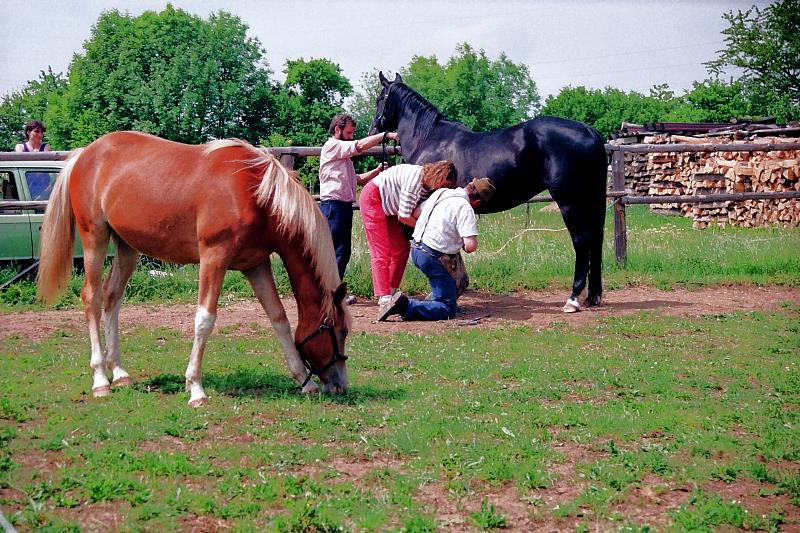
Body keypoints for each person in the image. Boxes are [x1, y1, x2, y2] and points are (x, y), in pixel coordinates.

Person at [379, 177, 496, 322]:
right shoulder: (464, 207)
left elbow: (416, 213)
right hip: (432, 257)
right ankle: (405, 306)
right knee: (447, 309)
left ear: (469, 185)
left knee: (461, 280)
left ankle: (434, 300)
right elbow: (470, 246)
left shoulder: (442, 193)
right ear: (477, 202)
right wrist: (463, 242)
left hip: (417, 249)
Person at [360, 160, 457, 321]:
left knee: (402, 248)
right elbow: (404, 216)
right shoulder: (415, 182)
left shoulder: (427, 188)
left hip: (391, 206)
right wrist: (425, 226)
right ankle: (384, 296)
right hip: (374, 198)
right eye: (444, 184)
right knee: (381, 251)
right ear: (438, 176)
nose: (444, 188)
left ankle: (391, 290)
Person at [319, 113, 398, 303]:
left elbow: (357, 180)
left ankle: (332, 293)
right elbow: (360, 146)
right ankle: (330, 295)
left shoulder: (341, 156)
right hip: (334, 206)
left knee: (342, 251)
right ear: (337, 130)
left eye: (353, 133)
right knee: (337, 251)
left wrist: (376, 172)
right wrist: (385, 136)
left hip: (340, 206)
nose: (351, 136)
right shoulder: (332, 146)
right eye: (348, 132)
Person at [15, 120, 52, 200]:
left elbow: (45, 164)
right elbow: (22, 164)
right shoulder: (20, 147)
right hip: (26, 184)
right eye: (37, 132)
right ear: (28, 132)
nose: (40, 135)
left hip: (44, 186)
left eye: (42, 132)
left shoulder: (46, 147)